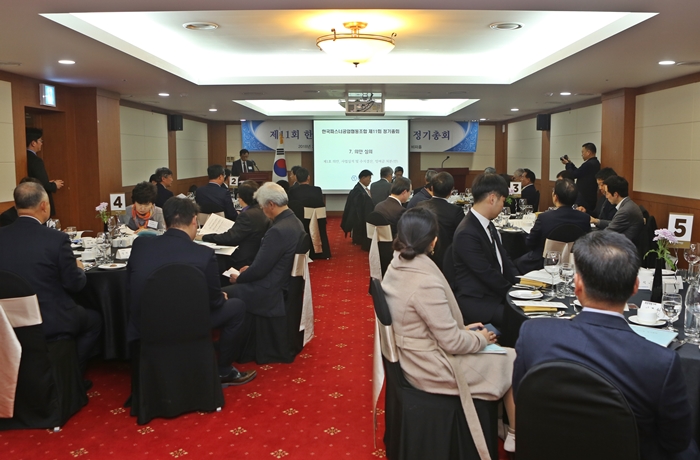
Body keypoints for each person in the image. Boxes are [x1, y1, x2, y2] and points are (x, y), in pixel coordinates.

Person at [513, 231, 694, 459]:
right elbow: (676, 441)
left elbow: (523, 400)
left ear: (578, 285)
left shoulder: (533, 335)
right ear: (635, 287)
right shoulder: (660, 363)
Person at [382, 208, 516, 453]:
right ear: (434, 241)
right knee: (512, 357)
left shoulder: (396, 264)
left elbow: (421, 321)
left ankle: (497, 422)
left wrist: (463, 329)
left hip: (413, 353)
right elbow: (452, 343)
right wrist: (479, 338)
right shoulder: (425, 281)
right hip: (429, 365)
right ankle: (515, 435)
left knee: (493, 347)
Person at [126, 197, 256, 386]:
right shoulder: (204, 254)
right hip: (188, 324)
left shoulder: (140, 246)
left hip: (145, 322)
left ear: (165, 222)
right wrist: (220, 297)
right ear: (194, 220)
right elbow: (214, 302)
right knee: (237, 307)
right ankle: (223, 370)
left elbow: (130, 285)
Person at [0, 182, 101, 375]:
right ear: (44, 206)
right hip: (51, 319)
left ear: (16, 205)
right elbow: (74, 284)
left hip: (7, 318)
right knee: (94, 320)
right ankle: (73, 375)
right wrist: (79, 268)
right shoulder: (56, 239)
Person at [224, 182, 306, 319]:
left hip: (270, 289)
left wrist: (240, 278)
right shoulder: (295, 221)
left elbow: (260, 270)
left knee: (219, 294)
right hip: (282, 283)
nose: (262, 210)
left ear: (271, 204)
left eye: (262, 207)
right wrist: (250, 269)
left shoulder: (277, 231)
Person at [452, 173, 518, 329]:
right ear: (492, 199)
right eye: (503, 201)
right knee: (519, 320)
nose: (503, 207)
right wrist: (513, 292)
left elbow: (504, 259)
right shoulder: (467, 232)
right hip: (479, 300)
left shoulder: (488, 224)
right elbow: (486, 273)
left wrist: (520, 284)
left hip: (494, 293)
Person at [514, 179, 590, 274]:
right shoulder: (585, 218)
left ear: (555, 197)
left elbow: (530, 243)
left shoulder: (544, 217)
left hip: (542, 261)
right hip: (573, 262)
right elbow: (585, 243)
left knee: (515, 263)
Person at [199, 181, 270, 271]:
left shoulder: (247, 215)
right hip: (256, 254)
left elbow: (230, 238)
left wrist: (204, 237)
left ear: (240, 198)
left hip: (242, 259)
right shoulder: (262, 210)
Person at [415, 172, 465, 270]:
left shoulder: (420, 205)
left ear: (432, 188)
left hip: (422, 258)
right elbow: (462, 237)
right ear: (451, 191)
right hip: (447, 260)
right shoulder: (455, 211)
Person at [592, 175, 644, 242]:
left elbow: (607, 233)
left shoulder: (625, 211)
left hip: (622, 245)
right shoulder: (628, 204)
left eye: (607, 193)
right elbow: (614, 223)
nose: (606, 197)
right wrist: (597, 221)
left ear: (615, 194)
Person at [26, 127, 63, 216]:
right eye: (40, 141)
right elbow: (44, 184)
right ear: (33, 143)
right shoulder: (36, 160)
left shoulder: (23, 157)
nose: (42, 143)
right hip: (38, 201)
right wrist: (54, 185)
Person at [560, 142, 600, 213]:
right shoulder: (595, 163)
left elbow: (573, 174)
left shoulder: (589, 164)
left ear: (588, 152)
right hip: (590, 196)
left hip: (585, 198)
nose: (582, 154)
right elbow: (578, 172)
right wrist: (570, 163)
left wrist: (567, 164)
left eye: (583, 152)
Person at [341, 169, 374, 245]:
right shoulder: (357, 190)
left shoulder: (362, 189)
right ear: (363, 178)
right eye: (369, 178)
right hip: (359, 217)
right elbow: (357, 207)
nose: (370, 181)